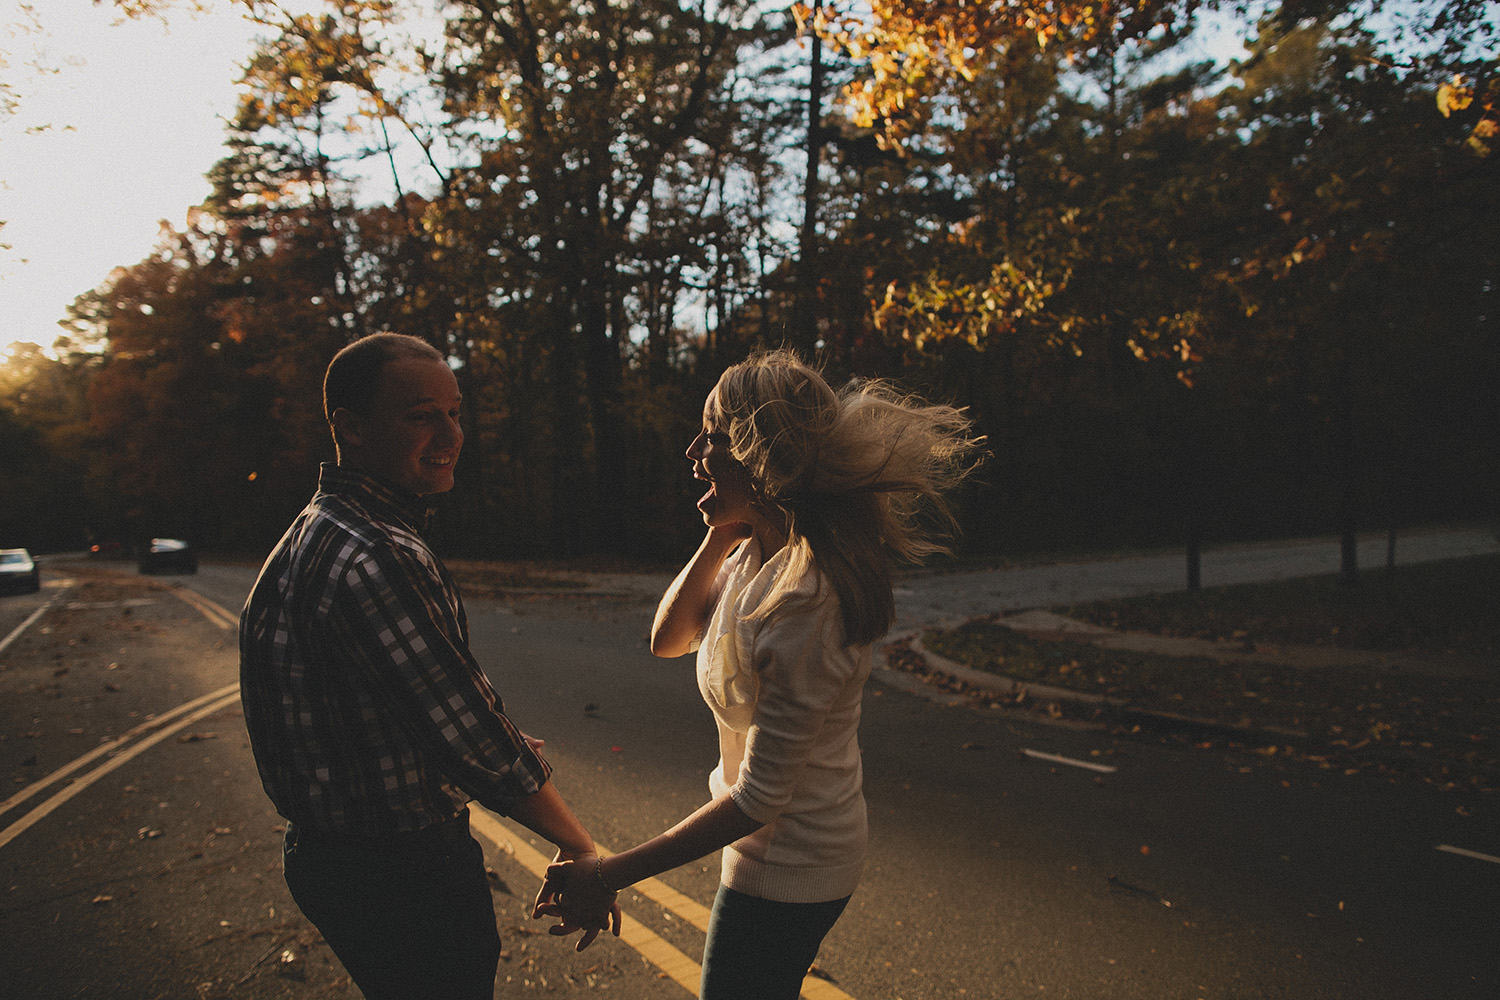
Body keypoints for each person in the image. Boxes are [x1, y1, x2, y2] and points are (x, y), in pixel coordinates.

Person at [538, 349, 984, 999]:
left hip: (794, 863)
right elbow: (668, 640)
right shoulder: (756, 554)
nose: (694, 451)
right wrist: (722, 530)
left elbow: (759, 799)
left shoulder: (808, 600)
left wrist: (609, 873)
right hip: (777, 850)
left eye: (713, 437)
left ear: (761, 455)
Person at [240, 332, 619, 1000]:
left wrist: (440, 755)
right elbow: (471, 736)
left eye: (454, 412)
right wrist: (583, 851)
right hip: (400, 874)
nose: (450, 433)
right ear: (351, 428)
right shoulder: (377, 554)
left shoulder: (317, 526)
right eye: (421, 415)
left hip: (334, 859)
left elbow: (362, 714)